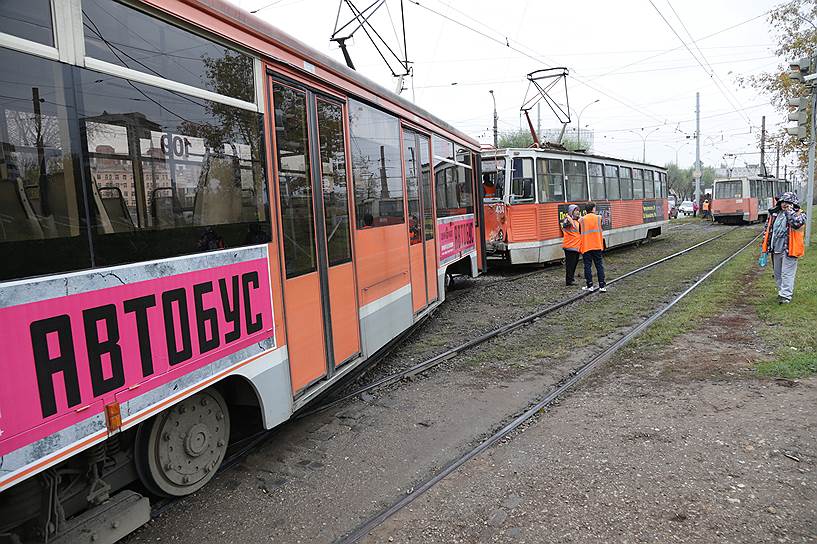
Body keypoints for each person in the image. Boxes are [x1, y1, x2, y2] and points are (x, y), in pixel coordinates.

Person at [761, 191, 807, 304]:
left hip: (790, 249)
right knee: (777, 273)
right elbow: (768, 230)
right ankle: (782, 291)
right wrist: (765, 248)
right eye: (782, 202)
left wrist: (789, 211)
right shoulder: (774, 214)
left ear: (793, 203)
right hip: (776, 248)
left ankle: (786, 296)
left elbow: (796, 224)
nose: (784, 204)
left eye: (787, 202)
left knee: (787, 273)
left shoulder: (799, 214)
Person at [579, 202, 606, 292]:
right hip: (597, 245)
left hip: (586, 246)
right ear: (593, 209)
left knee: (587, 266)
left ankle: (589, 285)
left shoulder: (582, 220)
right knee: (599, 266)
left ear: (586, 210)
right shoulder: (598, 218)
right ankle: (602, 286)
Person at [561, 204, 581, 286]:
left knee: (574, 264)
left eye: (578, 210)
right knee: (570, 265)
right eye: (575, 210)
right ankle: (569, 281)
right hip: (570, 247)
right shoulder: (568, 219)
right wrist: (569, 220)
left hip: (576, 247)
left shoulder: (577, 221)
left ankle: (571, 279)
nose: (578, 212)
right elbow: (565, 224)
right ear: (571, 211)